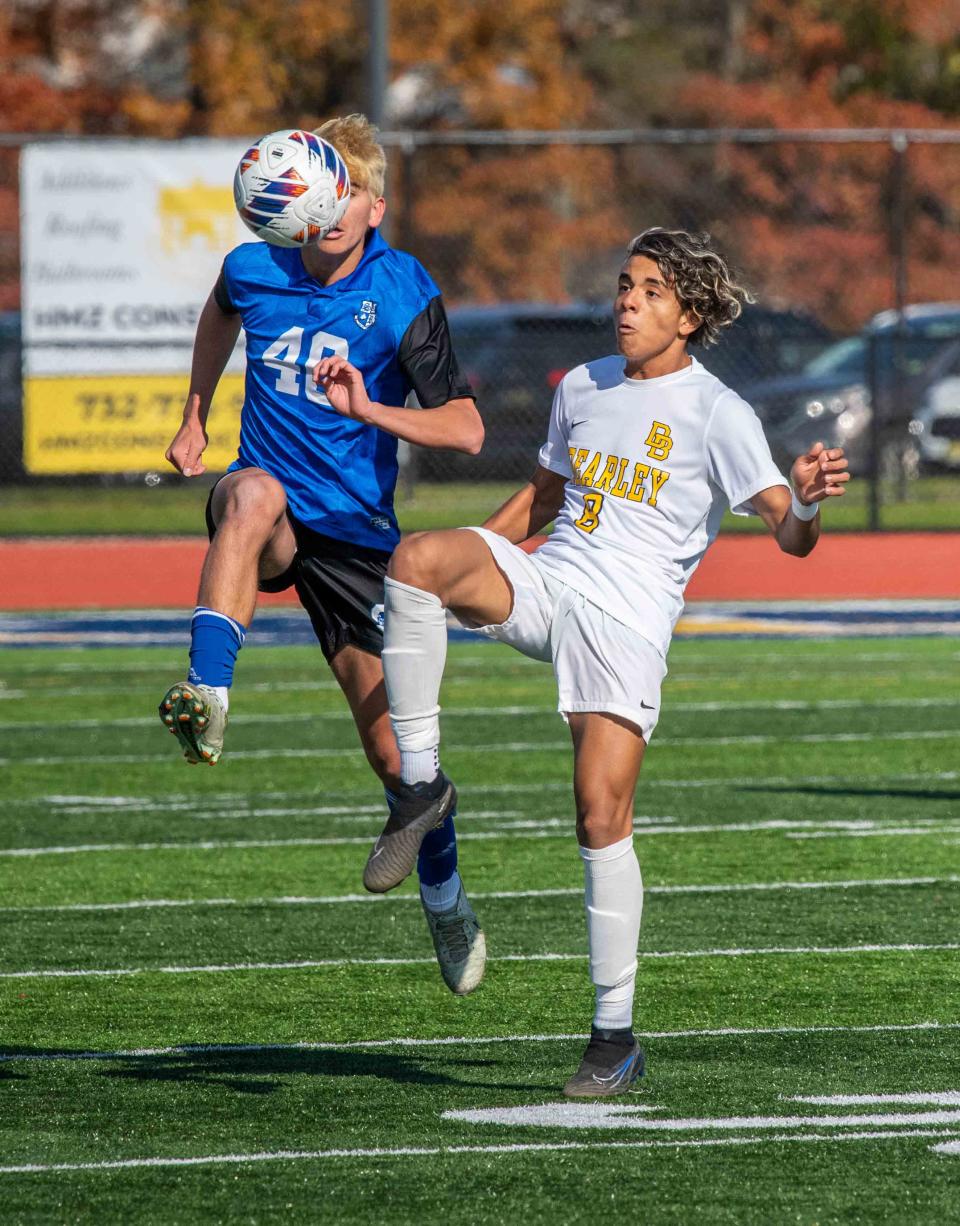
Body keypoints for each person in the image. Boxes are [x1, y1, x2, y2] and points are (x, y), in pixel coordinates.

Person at [361, 227, 850, 1094]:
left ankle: (613, 1034)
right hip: (551, 585)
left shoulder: (718, 412)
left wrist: (805, 503)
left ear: (689, 315)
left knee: (598, 816)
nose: (628, 300)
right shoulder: (583, 386)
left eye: (652, 290)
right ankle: (421, 789)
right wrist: (473, 555)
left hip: (627, 624)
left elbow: (789, 534)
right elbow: (541, 501)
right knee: (417, 561)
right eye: (626, 285)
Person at [158, 114, 487, 996]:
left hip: (354, 537)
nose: (331, 208)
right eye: (321, 189)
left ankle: (447, 899)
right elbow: (218, 314)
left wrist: (371, 413)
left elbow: (465, 425)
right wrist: (196, 411)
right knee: (253, 492)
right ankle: (207, 691)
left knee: (398, 763)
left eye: (348, 192)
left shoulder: (401, 287)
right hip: (272, 517)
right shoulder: (256, 263)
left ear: (369, 204)